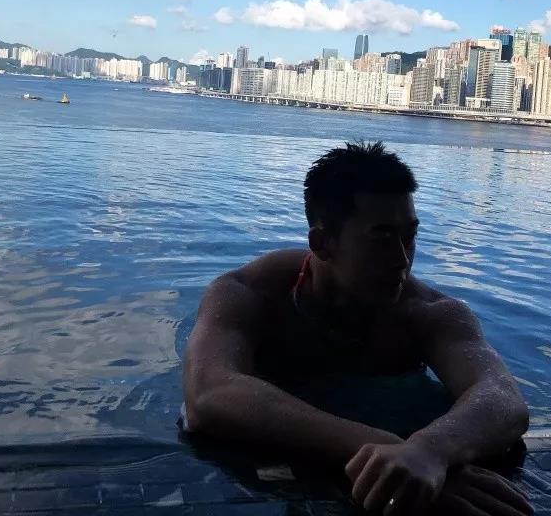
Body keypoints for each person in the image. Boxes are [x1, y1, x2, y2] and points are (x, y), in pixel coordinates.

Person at [182, 141, 532, 515]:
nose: (402, 259)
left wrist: (431, 450)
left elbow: (502, 397)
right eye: (382, 238)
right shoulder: (251, 294)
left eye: (410, 235)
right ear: (322, 243)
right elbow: (209, 395)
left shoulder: (430, 313)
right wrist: (388, 451)